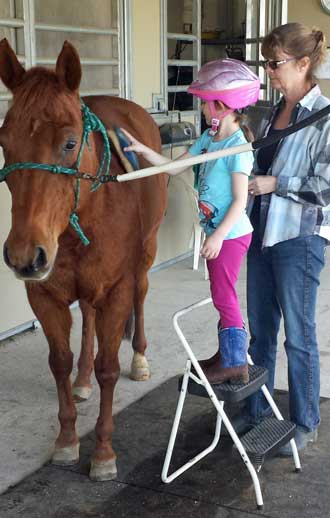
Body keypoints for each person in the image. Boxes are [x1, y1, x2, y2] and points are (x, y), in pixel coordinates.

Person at [122, 58, 260, 385]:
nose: (200, 108)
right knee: (220, 292)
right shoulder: (209, 140)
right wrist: (144, 149)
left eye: (204, 103)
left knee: (224, 294)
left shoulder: (237, 147)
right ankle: (226, 353)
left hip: (231, 234)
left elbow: (241, 200)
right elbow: (172, 168)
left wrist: (216, 237)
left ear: (223, 106)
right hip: (218, 233)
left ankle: (235, 361)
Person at [234, 23, 330, 455]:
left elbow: (326, 186)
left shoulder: (325, 114)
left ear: (303, 63)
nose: (269, 71)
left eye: (275, 63)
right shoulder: (271, 113)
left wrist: (276, 182)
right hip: (261, 232)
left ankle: (305, 421)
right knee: (261, 333)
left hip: (299, 238)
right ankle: (257, 414)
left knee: (299, 335)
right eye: (267, 63)